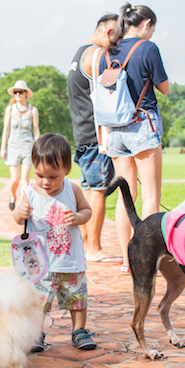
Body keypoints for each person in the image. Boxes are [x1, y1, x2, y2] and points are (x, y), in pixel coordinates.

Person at [98, 4, 169, 273]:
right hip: (141, 125)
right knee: (151, 195)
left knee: (126, 194)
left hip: (115, 129)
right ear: (146, 23)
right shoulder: (148, 48)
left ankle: (127, 259)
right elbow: (164, 87)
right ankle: (147, 257)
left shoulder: (110, 50)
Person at [13, 133, 95, 352]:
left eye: (53, 176)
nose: (46, 182)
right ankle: (36, 333)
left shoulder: (72, 189)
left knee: (78, 300)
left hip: (71, 262)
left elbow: (87, 210)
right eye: (40, 175)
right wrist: (20, 212)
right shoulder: (30, 192)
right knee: (38, 303)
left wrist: (79, 217)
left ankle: (79, 330)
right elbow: (18, 218)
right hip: (41, 264)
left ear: (67, 170)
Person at [67, 13, 118, 262]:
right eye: (116, 40)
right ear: (108, 32)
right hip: (96, 134)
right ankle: (94, 248)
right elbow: (107, 92)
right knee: (98, 191)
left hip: (81, 133)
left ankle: (88, 245)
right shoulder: (97, 54)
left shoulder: (78, 54)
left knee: (88, 191)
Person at [0, 79, 40, 210]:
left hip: (28, 145)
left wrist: (38, 146)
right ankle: (12, 196)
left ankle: (24, 205)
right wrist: (3, 147)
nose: (18, 95)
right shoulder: (10, 110)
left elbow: (35, 129)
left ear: (26, 94)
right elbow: (6, 129)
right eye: (15, 92)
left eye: (20, 92)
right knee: (15, 179)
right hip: (13, 146)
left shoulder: (33, 110)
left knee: (25, 179)